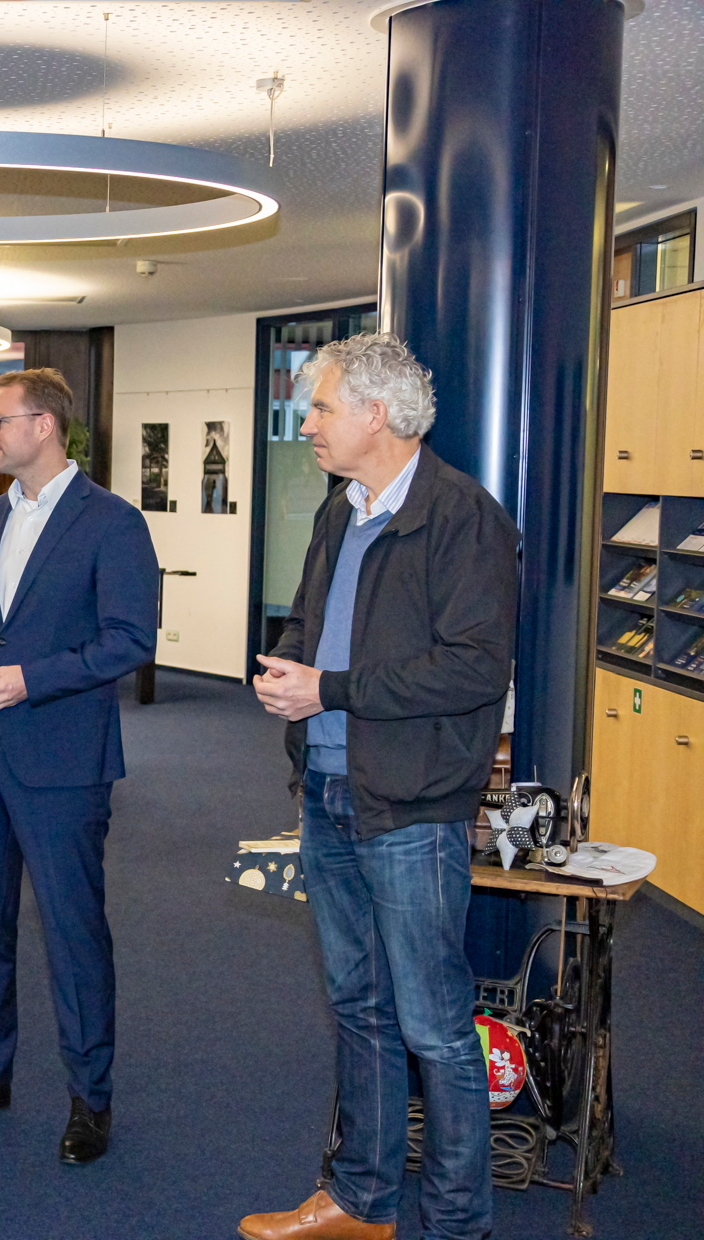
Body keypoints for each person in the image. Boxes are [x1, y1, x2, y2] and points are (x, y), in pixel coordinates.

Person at [244, 333, 517, 1240]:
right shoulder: (340, 510)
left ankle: (455, 1224)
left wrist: (329, 689)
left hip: (409, 808)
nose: (306, 422)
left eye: (319, 407)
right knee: (358, 1010)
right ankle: (362, 1202)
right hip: (325, 791)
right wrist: (285, 666)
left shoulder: (462, 517)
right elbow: (310, 621)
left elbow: (472, 671)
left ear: (376, 414)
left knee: (435, 1030)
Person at [0, 368, 158, 1164]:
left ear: (44, 426)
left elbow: (130, 641)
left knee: (71, 934)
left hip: (62, 758)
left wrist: (32, 678)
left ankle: (89, 1098)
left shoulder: (112, 523)